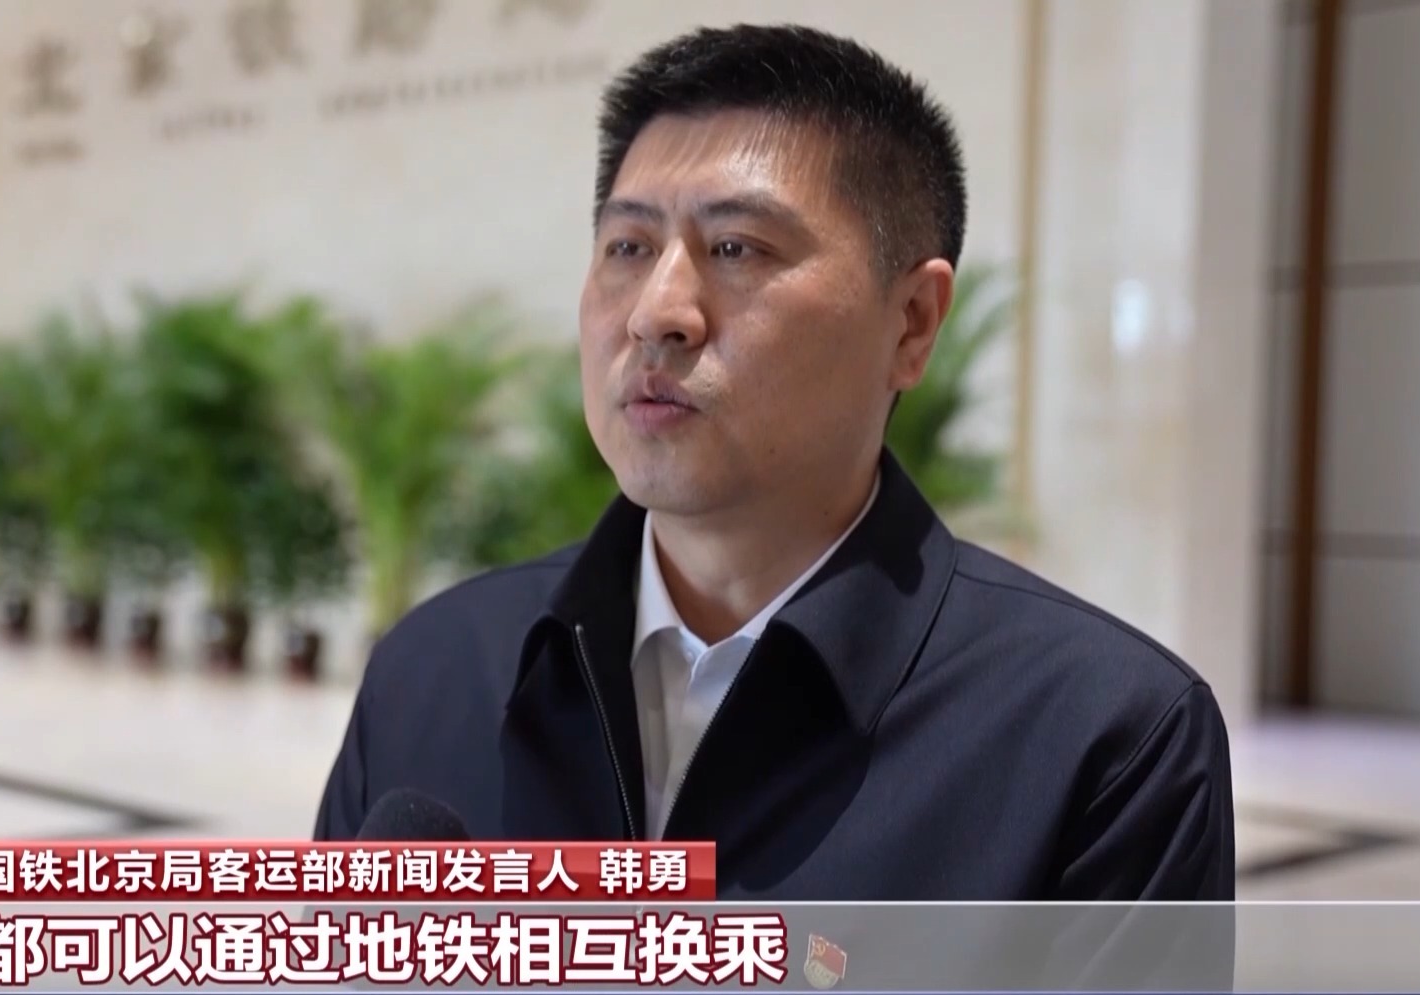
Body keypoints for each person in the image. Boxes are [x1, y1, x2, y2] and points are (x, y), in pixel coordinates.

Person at [314, 23, 1234, 902]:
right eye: (629, 247)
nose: (657, 313)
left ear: (912, 324)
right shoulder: (433, 672)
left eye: (736, 248)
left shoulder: (1105, 743)